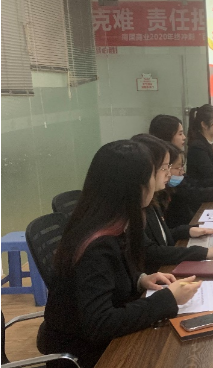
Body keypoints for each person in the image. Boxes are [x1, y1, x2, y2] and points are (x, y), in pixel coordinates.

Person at [37, 140, 201, 368]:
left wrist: (140, 280)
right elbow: (100, 323)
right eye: (153, 174)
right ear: (134, 187)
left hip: (103, 341)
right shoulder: (98, 244)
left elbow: (108, 278)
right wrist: (168, 299)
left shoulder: (108, 223)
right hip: (89, 355)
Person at [131, 134, 213, 273]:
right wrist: (205, 252)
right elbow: (151, 251)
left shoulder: (152, 199)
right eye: (164, 168)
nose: (168, 174)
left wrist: (189, 230)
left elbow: (162, 235)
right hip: (161, 271)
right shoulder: (139, 205)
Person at [149, 114, 213, 207]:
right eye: (180, 134)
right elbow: (189, 193)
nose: (184, 137)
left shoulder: (207, 144)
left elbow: (192, 182)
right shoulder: (197, 147)